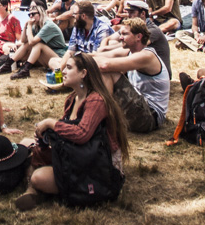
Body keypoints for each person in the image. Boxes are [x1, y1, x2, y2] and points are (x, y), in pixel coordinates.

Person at [15, 53, 128, 211]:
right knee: (25, 144)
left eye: (68, 67)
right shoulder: (72, 99)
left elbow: (82, 134)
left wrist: (51, 123)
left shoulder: (96, 100)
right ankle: (36, 189)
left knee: (37, 177)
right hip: (77, 154)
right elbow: (67, 133)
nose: (63, 71)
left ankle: (34, 188)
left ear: (83, 73)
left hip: (97, 165)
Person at [93, 18, 169, 133]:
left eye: (125, 34)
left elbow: (104, 65)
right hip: (141, 109)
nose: (120, 37)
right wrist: (79, 58)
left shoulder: (147, 56)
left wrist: (83, 63)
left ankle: (103, 118)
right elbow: (101, 55)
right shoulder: (130, 52)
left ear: (138, 36)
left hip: (149, 117)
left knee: (109, 71)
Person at [8, 2, 67, 80]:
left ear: (40, 14)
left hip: (59, 57)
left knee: (38, 45)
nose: (31, 17)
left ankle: (25, 69)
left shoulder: (48, 25)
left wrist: (29, 26)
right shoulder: (37, 25)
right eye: (29, 15)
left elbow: (32, 42)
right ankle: (8, 64)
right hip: (49, 56)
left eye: (33, 14)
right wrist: (26, 26)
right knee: (27, 44)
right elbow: (23, 40)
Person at [49, 1, 112, 71]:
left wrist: (73, 62)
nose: (73, 16)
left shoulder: (102, 29)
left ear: (83, 16)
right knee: (53, 61)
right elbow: (70, 51)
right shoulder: (78, 26)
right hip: (79, 60)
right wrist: (60, 70)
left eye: (75, 14)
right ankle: (64, 74)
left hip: (92, 64)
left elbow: (95, 56)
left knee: (72, 66)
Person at [0, 0, 23, 65]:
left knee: (6, 49)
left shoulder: (12, 19)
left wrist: (14, 45)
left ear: (5, 6)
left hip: (6, 45)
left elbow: (19, 39)